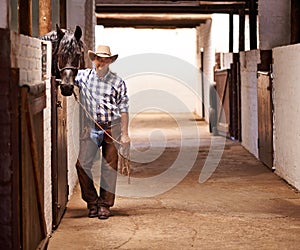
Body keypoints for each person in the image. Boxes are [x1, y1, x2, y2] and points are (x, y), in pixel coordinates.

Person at [74, 45, 130, 219]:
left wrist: (125, 133)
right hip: (91, 127)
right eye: (99, 58)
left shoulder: (118, 82)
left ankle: (105, 204)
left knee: (109, 167)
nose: (102, 62)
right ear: (94, 59)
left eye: (106, 59)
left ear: (110, 61)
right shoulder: (83, 77)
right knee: (82, 164)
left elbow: (124, 108)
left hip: (111, 128)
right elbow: (66, 76)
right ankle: (92, 202)